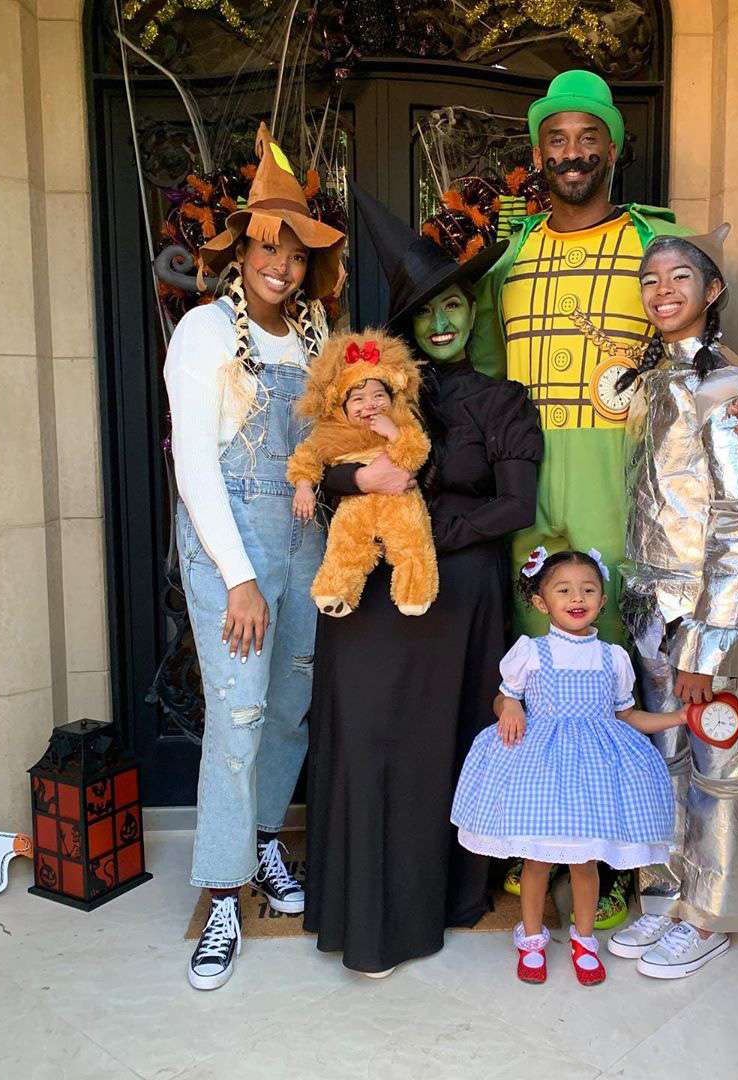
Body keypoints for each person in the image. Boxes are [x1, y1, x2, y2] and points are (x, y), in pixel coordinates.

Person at [468, 68, 738, 930]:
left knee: (618, 654)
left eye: (589, 137)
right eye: (557, 139)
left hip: (633, 485)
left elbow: (714, 384)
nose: (573, 154)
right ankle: (540, 840)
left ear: (614, 144)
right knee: (542, 654)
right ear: (539, 150)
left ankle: (617, 863)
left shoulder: (660, 246)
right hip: (528, 474)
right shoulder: (509, 256)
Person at [303, 190, 543, 976]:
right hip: (369, 596)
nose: (441, 324)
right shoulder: (378, 392)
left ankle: (432, 903)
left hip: (459, 600)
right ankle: (359, 914)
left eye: (453, 306)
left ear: (471, 310)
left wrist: (434, 531)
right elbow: (326, 460)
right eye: (426, 312)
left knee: (437, 747)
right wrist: (350, 477)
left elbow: (515, 506)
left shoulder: (504, 402)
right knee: (368, 735)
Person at [164, 123, 345, 990]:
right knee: (235, 722)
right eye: (269, 247)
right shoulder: (203, 331)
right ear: (242, 251)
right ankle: (225, 892)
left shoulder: (315, 332)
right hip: (230, 550)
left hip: (304, 547)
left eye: (297, 252)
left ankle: (268, 844)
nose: (283, 266)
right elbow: (196, 466)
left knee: (286, 713)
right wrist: (240, 578)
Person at [605, 225, 738, 978]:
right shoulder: (654, 380)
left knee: (716, 761)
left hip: (704, 617)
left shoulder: (728, 385)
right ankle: (664, 895)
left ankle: (708, 913)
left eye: (678, 277)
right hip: (648, 607)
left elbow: (734, 520)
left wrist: (708, 644)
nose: (662, 291)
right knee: (658, 754)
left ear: (712, 291)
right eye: (649, 280)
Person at [452, 549, 685, 986]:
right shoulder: (530, 652)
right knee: (537, 861)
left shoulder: (611, 657)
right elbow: (503, 697)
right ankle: (533, 938)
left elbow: (626, 715)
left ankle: (583, 939)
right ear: (542, 602)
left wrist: (676, 718)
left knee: (585, 862)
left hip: (593, 775)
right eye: (564, 590)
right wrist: (511, 706)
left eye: (588, 589)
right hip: (542, 769)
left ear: (601, 598)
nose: (577, 597)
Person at [288, 332, 438, 616]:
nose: (370, 405)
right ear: (341, 407)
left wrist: (393, 432)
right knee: (345, 544)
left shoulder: (402, 423)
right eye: (358, 399)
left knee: (412, 540)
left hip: (400, 501)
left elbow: (417, 452)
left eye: (379, 396)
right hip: (355, 506)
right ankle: (335, 591)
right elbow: (307, 457)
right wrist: (304, 487)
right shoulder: (331, 433)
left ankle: (416, 592)